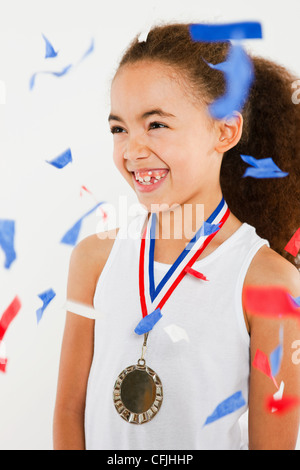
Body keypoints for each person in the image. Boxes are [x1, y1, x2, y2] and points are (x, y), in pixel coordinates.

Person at [53, 22, 300, 450]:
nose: (131, 150)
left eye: (156, 125)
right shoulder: (94, 260)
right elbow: (69, 412)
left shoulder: (269, 283)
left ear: (225, 131)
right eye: (119, 129)